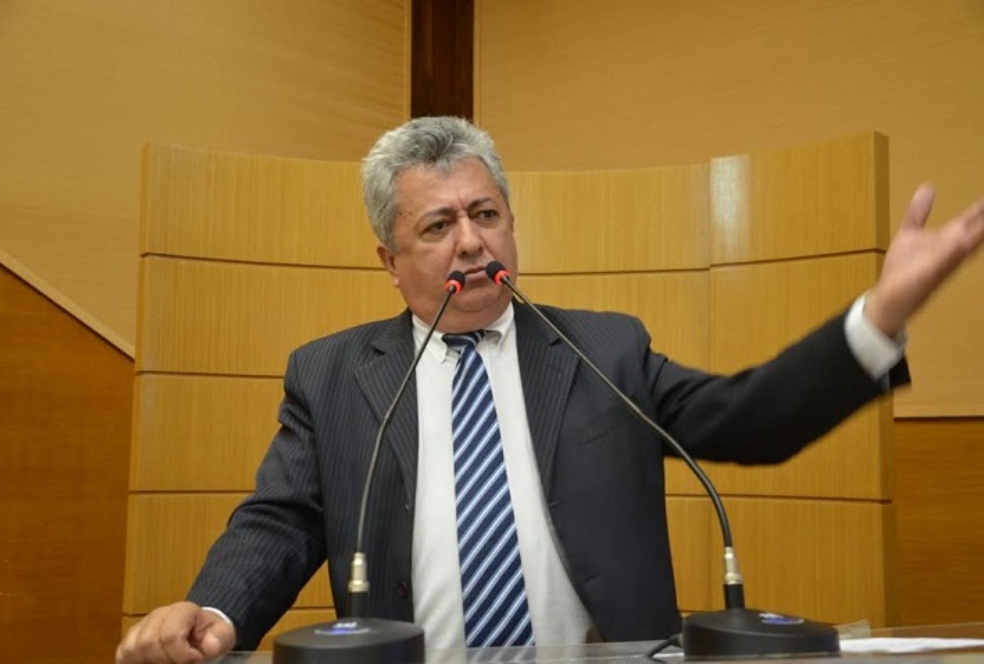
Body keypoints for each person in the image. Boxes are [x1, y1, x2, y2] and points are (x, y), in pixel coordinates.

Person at [116, 116, 984, 663]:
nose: (471, 241)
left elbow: (748, 420)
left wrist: (880, 316)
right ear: (390, 259)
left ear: (510, 224)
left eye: (486, 214)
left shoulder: (603, 348)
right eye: (438, 224)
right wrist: (216, 609)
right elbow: (281, 520)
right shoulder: (333, 374)